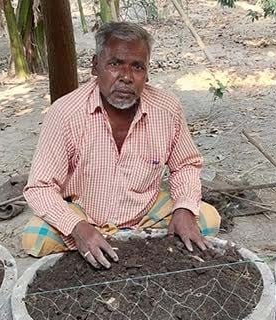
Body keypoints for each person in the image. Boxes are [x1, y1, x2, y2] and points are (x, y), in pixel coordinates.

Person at [21, 22, 220, 269]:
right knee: (35, 237)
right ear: (95, 66)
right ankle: (110, 240)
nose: (126, 77)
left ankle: (121, 240)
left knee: (207, 219)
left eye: (137, 67)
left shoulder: (167, 109)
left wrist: (184, 210)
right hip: (85, 212)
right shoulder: (65, 113)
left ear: (147, 73)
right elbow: (40, 187)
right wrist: (77, 228)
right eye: (115, 64)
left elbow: (185, 165)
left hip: (145, 210)